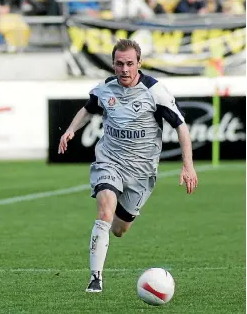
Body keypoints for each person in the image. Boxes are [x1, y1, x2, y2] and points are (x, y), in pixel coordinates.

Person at [58, 39, 198, 293]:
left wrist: (187, 165)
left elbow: (181, 126)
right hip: (109, 161)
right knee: (104, 210)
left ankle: (107, 230)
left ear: (139, 64)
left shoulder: (155, 92)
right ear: (112, 64)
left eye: (129, 64)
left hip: (142, 172)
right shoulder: (105, 89)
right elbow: (87, 109)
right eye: (119, 64)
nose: (124, 69)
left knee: (119, 229)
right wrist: (70, 130)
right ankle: (95, 278)